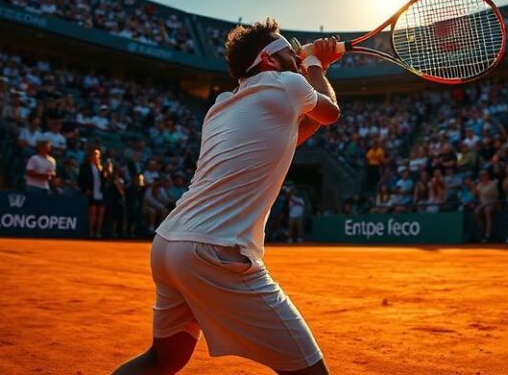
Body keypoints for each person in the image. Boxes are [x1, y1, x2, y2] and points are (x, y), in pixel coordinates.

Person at [113, 20, 340, 375]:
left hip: (169, 244)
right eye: (288, 51)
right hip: (215, 251)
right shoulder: (290, 84)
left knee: (163, 359)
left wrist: (314, 68)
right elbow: (330, 113)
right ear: (267, 61)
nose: (296, 56)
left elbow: (296, 133)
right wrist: (315, 65)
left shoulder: (221, 106)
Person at [78, 146, 112, 239]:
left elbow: (105, 181)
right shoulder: (85, 167)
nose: (96, 156)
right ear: (90, 156)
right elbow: (80, 180)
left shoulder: (100, 168)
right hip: (91, 193)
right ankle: (91, 232)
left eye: (97, 155)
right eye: (94, 154)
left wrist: (107, 171)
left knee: (100, 213)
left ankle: (98, 232)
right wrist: (85, 190)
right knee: (92, 213)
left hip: (100, 193)